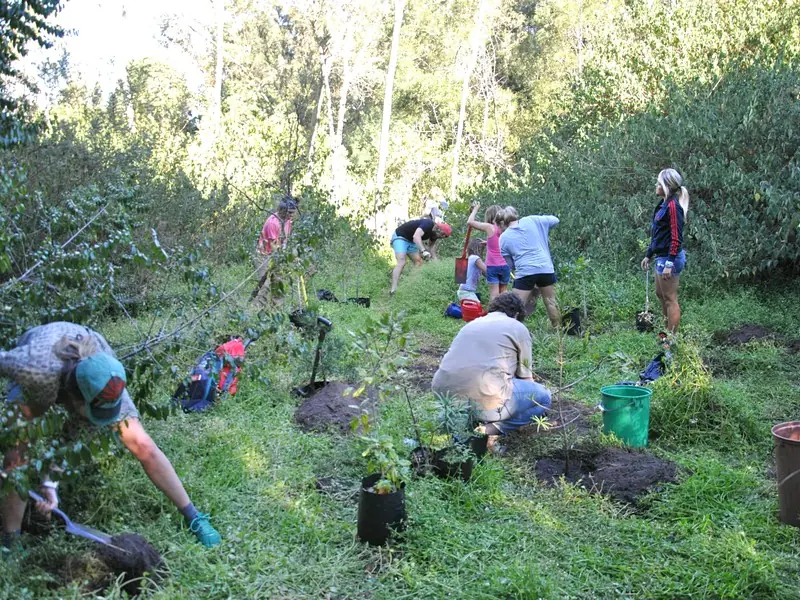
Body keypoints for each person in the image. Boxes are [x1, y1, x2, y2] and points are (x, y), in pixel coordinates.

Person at [0, 322, 221, 553]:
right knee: (17, 455)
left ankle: (194, 516)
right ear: (77, 399)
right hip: (43, 369)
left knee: (141, 443)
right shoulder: (31, 366)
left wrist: (50, 485)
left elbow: (70, 441)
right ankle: (11, 541)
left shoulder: (107, 373)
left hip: (91, 373)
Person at [431, 293, 551, 447]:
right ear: (516, 314)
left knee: (491, 384)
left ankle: (464, 425)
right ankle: (486, 430)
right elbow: (526, 377)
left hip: (444, 395)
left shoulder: (472, 324)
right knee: (543, 397)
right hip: (485, 396)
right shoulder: (518, 327)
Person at [641, 168, 688, 333]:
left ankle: (670, 340)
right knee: (661, 295)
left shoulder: (674, 207)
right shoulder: (662, 205)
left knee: (670, 299)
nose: (656, 185)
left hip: (670, 259)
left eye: (659, 183)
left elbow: (676, 237)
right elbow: (657, 234)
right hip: (661, 257)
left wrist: (669, 262)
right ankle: (666, 333)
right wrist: (648, 254)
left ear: (666, 186)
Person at [498, 206, 561, 327]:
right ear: (516, 215)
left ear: (503, 222)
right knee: (551, 302)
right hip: (545, 268)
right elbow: (555, 220)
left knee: (515, 305)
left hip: (525, 273)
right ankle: (558, 332)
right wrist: (543, 230)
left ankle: (511, 332)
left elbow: (510, 265)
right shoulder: (532, 220)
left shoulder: (503, 238)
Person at [390, 218, 453, 296]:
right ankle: (393, 290)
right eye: (442, 234)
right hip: (400, 236)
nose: (441, 237)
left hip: (411, 241)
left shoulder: (435, 235)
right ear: (439, 229)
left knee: (419, 262)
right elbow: (416, 236)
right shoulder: (428, 224)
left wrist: (437, 264)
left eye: (444, 236)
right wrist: (423, 251)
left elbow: (431, 248)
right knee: (402, 262)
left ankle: (409, 285)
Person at [252, 197, 298, 303]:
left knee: (278, 284)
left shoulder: (288, 221)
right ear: (283, 210)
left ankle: (276, 311)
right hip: (264, 256)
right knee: (265, 286)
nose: (291, 215)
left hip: (278, 255)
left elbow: (285, 239)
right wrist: (289, 258)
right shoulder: (273, 223)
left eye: (293, 212)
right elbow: (274, 247)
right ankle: (256, 311)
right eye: (289, 212)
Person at [467, 202, 509, 302]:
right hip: (506, 265)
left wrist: (475, 209)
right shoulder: (506, 229)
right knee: (504, 292)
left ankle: (493, 315)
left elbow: (470, 222)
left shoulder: (489, 227)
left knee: (494, 294)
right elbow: (501, 243)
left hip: (493, 266)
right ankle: (507, 313)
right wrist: (488, 243)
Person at [456, 237, 487, 302]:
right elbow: (487, 270)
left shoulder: (470, 258)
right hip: (467, 292)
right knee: (477, 309)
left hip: (462, 290)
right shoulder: (475, 258)